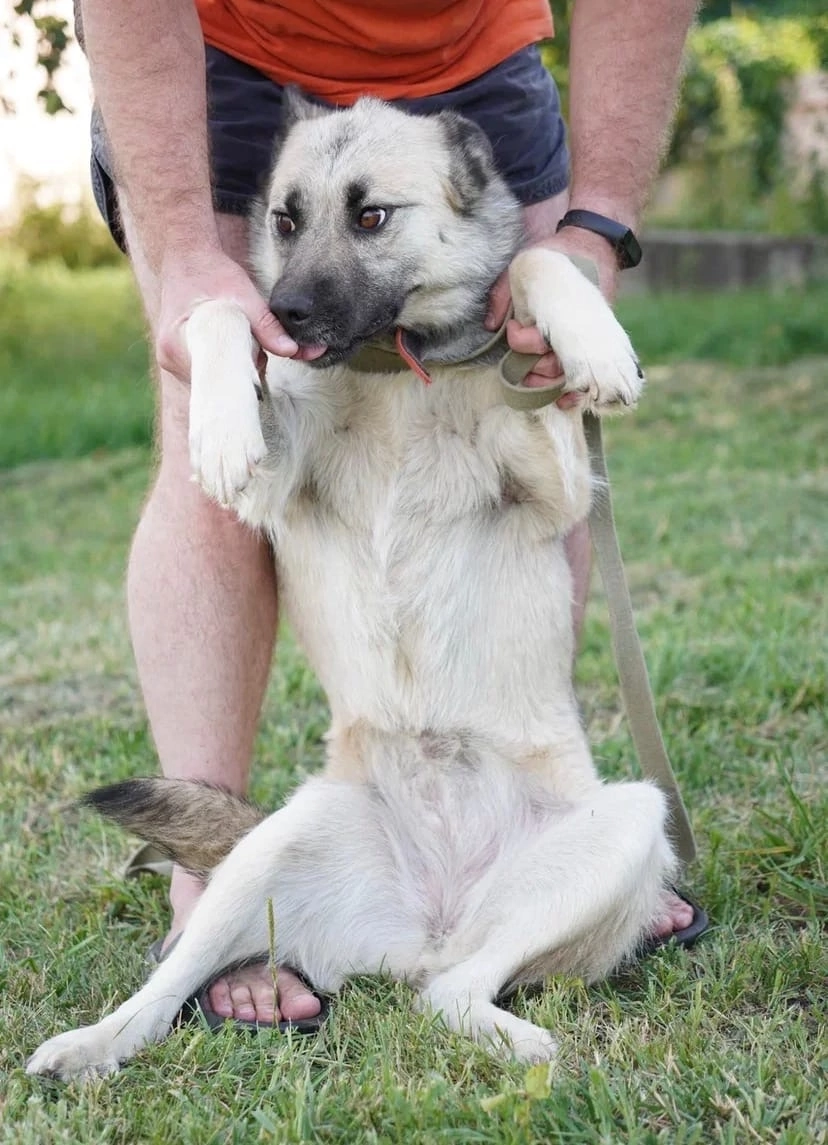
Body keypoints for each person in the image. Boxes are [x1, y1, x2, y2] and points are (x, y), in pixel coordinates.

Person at [77, 0, 701, 1028]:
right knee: (209, 433)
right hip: (224, 48)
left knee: (539, 384)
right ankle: (208, 884)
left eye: (368, 226)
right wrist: (197, 261)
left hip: (478, 50)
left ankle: (552, 847)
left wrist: (597, 222)